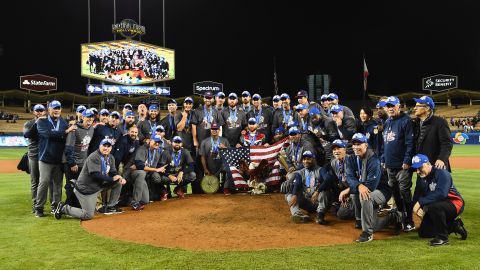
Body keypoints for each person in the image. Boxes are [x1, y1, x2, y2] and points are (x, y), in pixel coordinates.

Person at [53, 139, 127, 220]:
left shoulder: (111, 157)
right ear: (99, 146)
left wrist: (119, 177)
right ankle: (63, 208)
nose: (106, 148)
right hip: (86, 189)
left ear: (111, 148)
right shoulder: (94, 157)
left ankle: (110, 206)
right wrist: (111, 179)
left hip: (98, 186)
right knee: (88, 215)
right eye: (104, 146)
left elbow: (113, 172)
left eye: (108, 146)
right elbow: (95, 174)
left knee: (118, 183)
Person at [344, 133, 395, 243]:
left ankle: (368, 233)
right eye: (354, 144)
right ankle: (360, 220)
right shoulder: (351, 158)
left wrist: (353, 188)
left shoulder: (373, 159)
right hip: (365, 189)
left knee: (365, 196)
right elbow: (350, 177)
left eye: (359, 144)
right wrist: (358, 185)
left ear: (366, 145)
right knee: (356, 193)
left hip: (382, 191)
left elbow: (371, 185)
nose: (356, 147)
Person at [411, 154, 467, 246]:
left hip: (454, 203)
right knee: (424, 232)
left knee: (434, 206)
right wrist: (421, 207)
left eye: (420, 167)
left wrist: (420, 202)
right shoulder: (422, 178)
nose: (417, 171)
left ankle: (442, 238)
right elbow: (421, 195)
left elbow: (442, 193)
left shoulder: (442, 173)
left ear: (428, 164)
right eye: (416, 169)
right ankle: (453, 226)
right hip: (437, 205)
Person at [35, 100, 76, 217]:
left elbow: (64, 138)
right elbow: (48, 134)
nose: (56, 110)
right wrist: (66, 131)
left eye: (58, 108)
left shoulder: (63, 122)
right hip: (45, 158)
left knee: (58, 185)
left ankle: (56, 207)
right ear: (49, 110)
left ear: (61, 109)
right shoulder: (42, 121)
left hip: (58, 160)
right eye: (54, 108)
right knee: (43, 183)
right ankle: (39, 208)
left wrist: (64, 131)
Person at [382, 96, 415, 231]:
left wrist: (407, 160)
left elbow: (409, 143)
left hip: (402, 165)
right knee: (395, 191)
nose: (390, 108)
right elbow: (386, 143)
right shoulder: (387, 121)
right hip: (390, 164)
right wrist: (383, 158)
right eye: (388, 106)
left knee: (404, 191)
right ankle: (401, 215)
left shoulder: (406, 121)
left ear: (399, 106)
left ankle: (410, 220)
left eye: (392, 105)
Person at [285, 151, 333, 224]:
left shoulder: (320, 170)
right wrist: (294, 195)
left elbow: (328, 179)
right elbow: (297, 183)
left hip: (319, 202)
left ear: (313, 159)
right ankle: (297, 214)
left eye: (308, 159)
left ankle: (320, 215)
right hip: (309, 202)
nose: (306, 161)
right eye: (304, 159)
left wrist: (318, 191)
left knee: (324, 190)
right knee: (289, 196)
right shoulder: (300, 172)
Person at [63, 109, 95, 208]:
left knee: (80, 185)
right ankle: (68, 206)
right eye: (87, 117)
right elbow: (69, 147)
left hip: (82, 162)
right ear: (82, 117)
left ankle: (76, 206)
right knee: (71, 185)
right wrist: (72, 163)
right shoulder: (75, 129)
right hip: (72, 162)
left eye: (91, 117)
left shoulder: (92, 129)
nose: (89, 119)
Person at [412, 96, 453, 171]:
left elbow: (447, 143)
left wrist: (442, 159)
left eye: (418, 106)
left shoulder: (440, 122)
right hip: (421, 166)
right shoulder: (415, 123)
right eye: (415, 106)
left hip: (436, 165)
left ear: (427, 108)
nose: (415, 108)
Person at [130, 134, 166, 209]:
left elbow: (150, 168)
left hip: (143, 176)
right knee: (141, 172)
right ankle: (135, 202)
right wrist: (155, 170)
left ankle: (131, 200)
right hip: (133, 173)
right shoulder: (142, 149)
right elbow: (139, 165)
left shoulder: (157, 153)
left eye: (159, 142)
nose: (157, 143)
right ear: (150, 141)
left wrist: (151, 169)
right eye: (155, 141)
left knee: (145, 200)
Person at [23, 104, 47, 213]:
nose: (39, 112)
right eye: (37, 110)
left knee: (45, 181)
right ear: (33, 112)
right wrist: (38, 122)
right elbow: (29, 135)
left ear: (44, 111)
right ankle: (35, 204)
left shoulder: (48, 122)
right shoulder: (29, 124)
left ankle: (42, 204)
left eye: (41, 110)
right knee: (35, 181)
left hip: (46, 156)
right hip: (33, 156)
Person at [198, 123, 230, 193]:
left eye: (216, 129)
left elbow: (230, 154)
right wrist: (205, 169)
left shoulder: (224, 140)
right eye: (213, 129)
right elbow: (202, 157)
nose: (214, 130)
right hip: (210, 167)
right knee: (213, 190)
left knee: (228, 170)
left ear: (219, 130)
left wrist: (224, 148)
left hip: (221, 166)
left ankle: (225, 188)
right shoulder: (204, 142)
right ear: (210, 130)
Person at [327, 139, 355, 220]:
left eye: (339, 148)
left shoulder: (352, 161)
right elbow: (341, 180)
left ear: (345, 149)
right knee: (341, 214)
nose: (336, 151)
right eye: (334, 149)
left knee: (342, 213)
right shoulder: (334, 162)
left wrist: (348, 194)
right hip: (347, 189)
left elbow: (359, 182)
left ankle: (362, 212)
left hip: (356, 190)